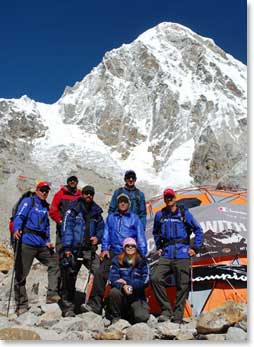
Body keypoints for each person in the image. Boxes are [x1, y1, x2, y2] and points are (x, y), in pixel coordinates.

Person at [82, 193, 147, 315]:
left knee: (130, 276)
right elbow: (106, 235)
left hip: (129, 252)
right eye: (120, 201)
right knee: (100, 273)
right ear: (117, 204)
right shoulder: (111, 217)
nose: (123, 203)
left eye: (125, 201)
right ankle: (95, 305)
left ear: (129, 204)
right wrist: (104, 249)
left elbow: (141, 237)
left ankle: (132, 307)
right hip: (113, 251)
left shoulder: (134, 218)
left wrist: (142, 254)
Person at [151, 188, 203, 323]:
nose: (169, 199)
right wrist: (159, 247)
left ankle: (178, 317)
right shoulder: (160, 215)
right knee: (155, 278)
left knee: (183, 284)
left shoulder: (184, 213)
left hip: (182, 252)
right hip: (167, 253)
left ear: (175, 198)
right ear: (164, 199)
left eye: (171, 197)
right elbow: (156, 232)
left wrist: (195, 248)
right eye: (166, 198)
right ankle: (166, 310)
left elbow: (198, 230)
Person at [13, 182, 60, 316]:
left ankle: (51, 297)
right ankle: (21, 305)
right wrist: (16, 229)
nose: (45, 193)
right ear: (37, 190)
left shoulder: (45, 206)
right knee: (21, 273)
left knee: (55, 262)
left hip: (41, 244)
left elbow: (46, 226)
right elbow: (20, 216)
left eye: (46, 191)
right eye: (42, 190)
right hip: (27, 242)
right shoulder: (29, 201)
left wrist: (48, 241)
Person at [60, 185, 104, 317]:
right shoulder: (72, 210)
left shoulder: (97, 212)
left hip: (89, 250)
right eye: (86, 193)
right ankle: (68, 307)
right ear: (82, 194)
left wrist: (98, 237)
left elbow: (102, 228)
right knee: (69, 276)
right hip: (74, 250)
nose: (88, 196)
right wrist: (67, 247)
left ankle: (94, 305)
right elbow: (66, 229)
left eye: (91, 193)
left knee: (100, 273)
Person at [105, 237, 150, 324]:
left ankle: (130, 315)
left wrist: (128, 283)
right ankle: (116, 317)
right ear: (124, 248)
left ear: (136, 248)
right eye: (127, 246)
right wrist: (123, 286)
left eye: (132, 246)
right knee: (114, 292)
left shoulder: (142, 262)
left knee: (142, 317)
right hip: (122, 294)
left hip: (137, 295)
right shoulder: (116, 260)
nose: (130, 248)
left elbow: (145, 281)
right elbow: (112, 278)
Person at [49, 175, 81, 253]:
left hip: (76, 228)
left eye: (74, 180)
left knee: (75, 250)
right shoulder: (60, 194)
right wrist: (60, 221)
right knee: (61, 249)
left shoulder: (80, 195)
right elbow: (53, 210)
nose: (72, 182)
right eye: (70, 180)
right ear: (67, 182)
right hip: (62, 227)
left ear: (77, 183)